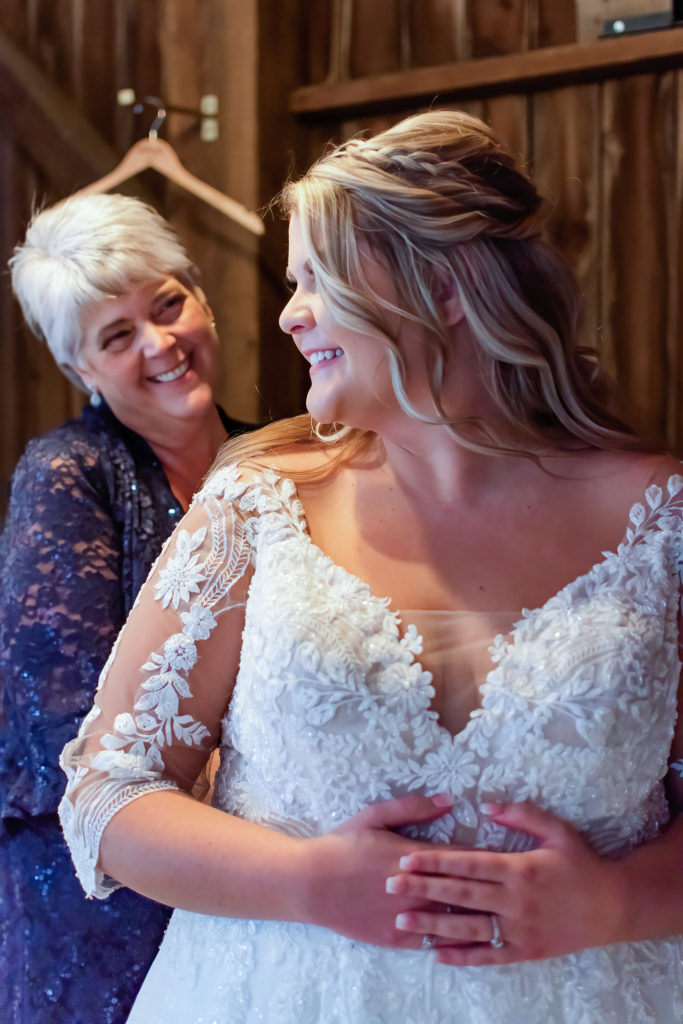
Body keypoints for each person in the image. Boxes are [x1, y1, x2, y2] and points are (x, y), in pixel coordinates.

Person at [58, 111, 683, 1023]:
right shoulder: (257, 511)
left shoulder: (661, 521)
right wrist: (306, 881)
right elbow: (105, 794)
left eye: (318, 278)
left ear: (444, 288)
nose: (287, 313)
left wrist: (616, 901)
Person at [0, 193, 254, 1024]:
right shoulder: (69, 475)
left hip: (263, 868)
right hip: (104, 902)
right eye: (118, 336)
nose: (160, 344)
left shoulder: (282, 458)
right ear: (82, 371)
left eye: (168, 305)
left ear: (201, 298)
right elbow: (64, 721)